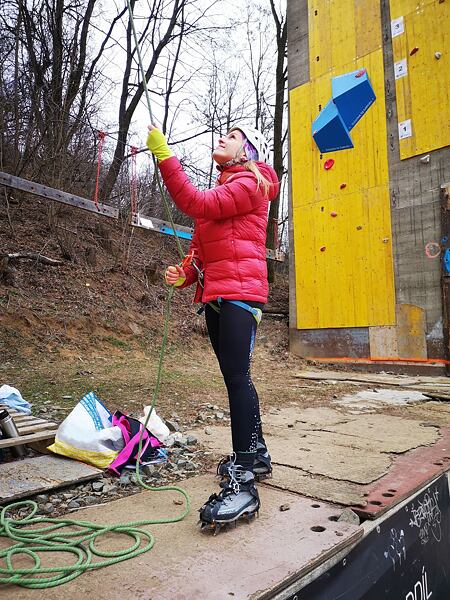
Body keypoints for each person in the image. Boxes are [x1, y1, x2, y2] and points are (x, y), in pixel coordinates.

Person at [146, 123, 279, 532]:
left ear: (246, 151)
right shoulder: (224, 191)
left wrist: (165, 157)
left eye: (232, 136)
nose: (221, 138)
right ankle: (255, 453)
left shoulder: (252, 182)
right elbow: (201, 254)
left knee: (238, 379)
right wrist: (184, 274)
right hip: (217, 296)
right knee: (236, 378)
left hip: (242, 295)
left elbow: (191, 200)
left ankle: (244, 481)